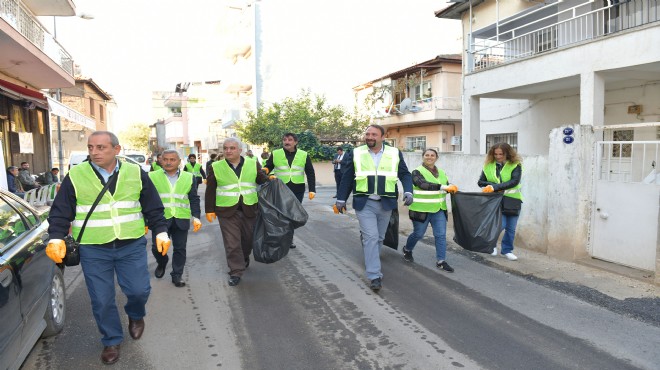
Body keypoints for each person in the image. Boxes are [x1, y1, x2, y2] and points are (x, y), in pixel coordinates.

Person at [45, 131, 170, 365]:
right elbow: (61, 211)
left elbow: (152, 206)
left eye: (101, 147)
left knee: (138, 291)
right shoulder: (76, 175)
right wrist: (56, 237)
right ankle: (111, 339)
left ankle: (135, 315)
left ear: (117, 149)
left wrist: (160, 230)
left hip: (130, 244)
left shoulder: (135, 172)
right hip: (94, 247)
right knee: (101, 299)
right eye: (91, 147)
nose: (94, 152)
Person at [335, 124, 413, 292]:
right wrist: (341, 199)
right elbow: (347, 177)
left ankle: (372, 259)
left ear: (383, 137)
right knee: (371, 237)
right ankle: (374, 275)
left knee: (379, 238)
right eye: (368, 134)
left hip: (386, 203)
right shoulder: (356, 152)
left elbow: (405, 174)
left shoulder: (394, 153)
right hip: (365, 202)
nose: (369, 137)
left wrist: (408, 191)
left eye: (374, 134)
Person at [205, 138, 269, 286]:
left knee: (248, 240)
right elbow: (210, 190)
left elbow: (261, 179)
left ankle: (244, 257)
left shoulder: (252, 163)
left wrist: (270, 180)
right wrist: (209, 209)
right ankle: (236, 271)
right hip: (226, 211)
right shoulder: (216, 166)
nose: (228, 151)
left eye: (232, 148)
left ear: (240, 150)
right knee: (232, 243)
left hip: (250, 208)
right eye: (226, 148)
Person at [148, 149, 201, 287]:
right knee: (156, 248)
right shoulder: (151, 176)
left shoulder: (189, 177)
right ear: (160, 160)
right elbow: (146, 199)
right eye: (165, 159)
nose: (168, 162)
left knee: (180, 249)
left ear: (179, 161)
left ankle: (177, 275)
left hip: (181, 218)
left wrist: (196, 216)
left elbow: (194, 199)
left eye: (172, 159)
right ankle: (162, 262)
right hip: (159, 220)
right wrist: (145, 220)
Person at [401, 149, 458, 272]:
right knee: (418, 234)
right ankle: (407, 249)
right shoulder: (416, 172)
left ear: (436, 158)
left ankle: (441, 261)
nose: (429, 157)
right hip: (421, 210)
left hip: (439, 209)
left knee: (441, 235)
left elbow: (446, 185)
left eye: (432, 155)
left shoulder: (442, 172)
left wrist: (451, 187)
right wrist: (443, 187)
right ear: (423, 157)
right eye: (427, 155)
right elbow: (422, 184)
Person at [263, 133, 316, 248]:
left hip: (298, 189)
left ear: (295, 142)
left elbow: (310, 172)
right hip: (280, 189)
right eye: (285, 140)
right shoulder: (276, 153)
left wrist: (312, 189)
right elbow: (269, 166)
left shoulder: (304, 155)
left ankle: (288, 239)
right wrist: (265, 170)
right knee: (280, 215)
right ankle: (279, 237)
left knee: (292, 215)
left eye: (290, 140)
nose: (287, 142)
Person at [478, 142, 523, 261]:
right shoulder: (488, 166)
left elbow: (514, 182)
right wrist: (492, 185)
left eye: (501, 154)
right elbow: (480, 182)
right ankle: (491, 245)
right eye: (495, 154)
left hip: (513, 201)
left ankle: (507, 250)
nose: (498, 156)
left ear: (507, 153)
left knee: (511, 228)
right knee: (499, 226)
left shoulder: (515, 165)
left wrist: (495, 187)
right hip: (495, 201)